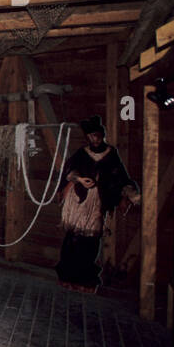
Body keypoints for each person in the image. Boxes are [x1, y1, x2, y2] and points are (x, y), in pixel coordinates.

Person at [55, 115, 140, 292]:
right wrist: (79, 179)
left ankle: (85, 279)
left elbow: (120, 177)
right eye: (90, 137)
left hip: (96, 203)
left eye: (95, 135)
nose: (93, 139)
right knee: (72, 238)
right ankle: (66, 275)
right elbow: (69, 171)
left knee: (90, 241)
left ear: (101, 134)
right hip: (77, 200)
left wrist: (129, 194)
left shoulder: (111, 154)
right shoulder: (82, 153)